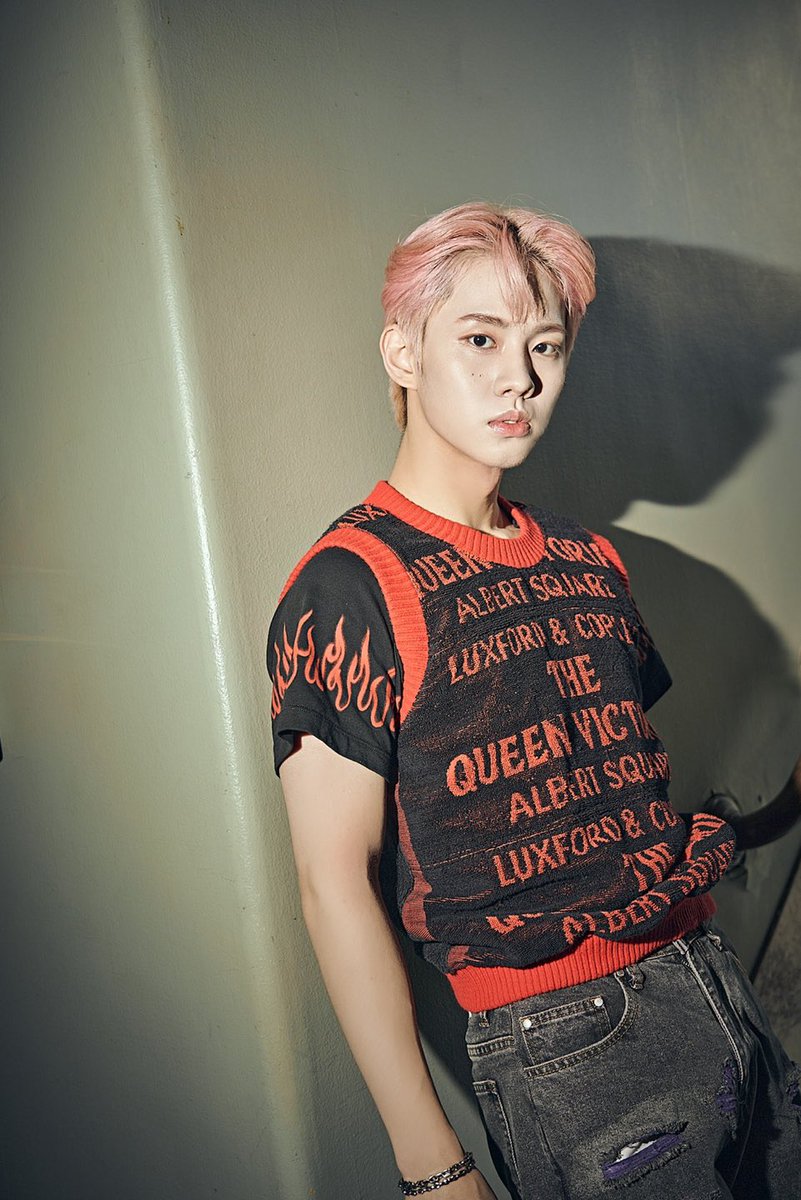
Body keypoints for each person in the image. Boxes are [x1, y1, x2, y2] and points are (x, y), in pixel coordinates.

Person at [266, 203, 801, 1199]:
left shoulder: (588, 559)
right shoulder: (351, 585)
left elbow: (617, 791)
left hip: (708, 977)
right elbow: (330, 882)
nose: (520, 377)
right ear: (402, 352)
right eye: (480, 339)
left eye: (544, 345)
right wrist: (434, 1167)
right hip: (568, 1042)